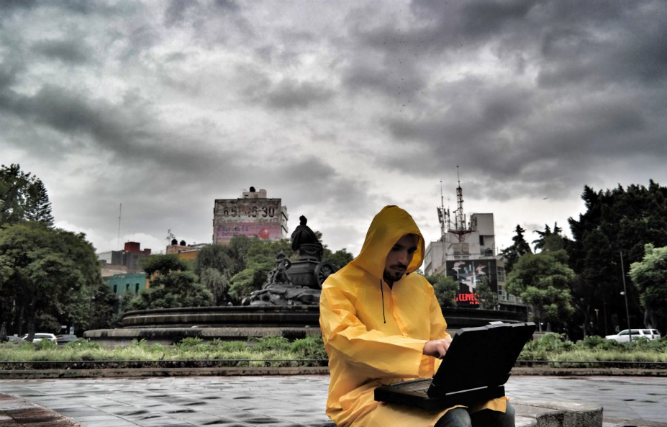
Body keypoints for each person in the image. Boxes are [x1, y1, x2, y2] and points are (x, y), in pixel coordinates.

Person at [319, 205, 514, 427]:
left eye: (411, 251)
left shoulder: (421, 286)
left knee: (501, 410)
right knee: (456, 419)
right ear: (376, 244)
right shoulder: (338, 285)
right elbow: (347, 340)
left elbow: (439, 337)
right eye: (395, 248)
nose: (403, 259)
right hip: (364, 396)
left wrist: (466, 364)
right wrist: (423, 347)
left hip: (422, 388)